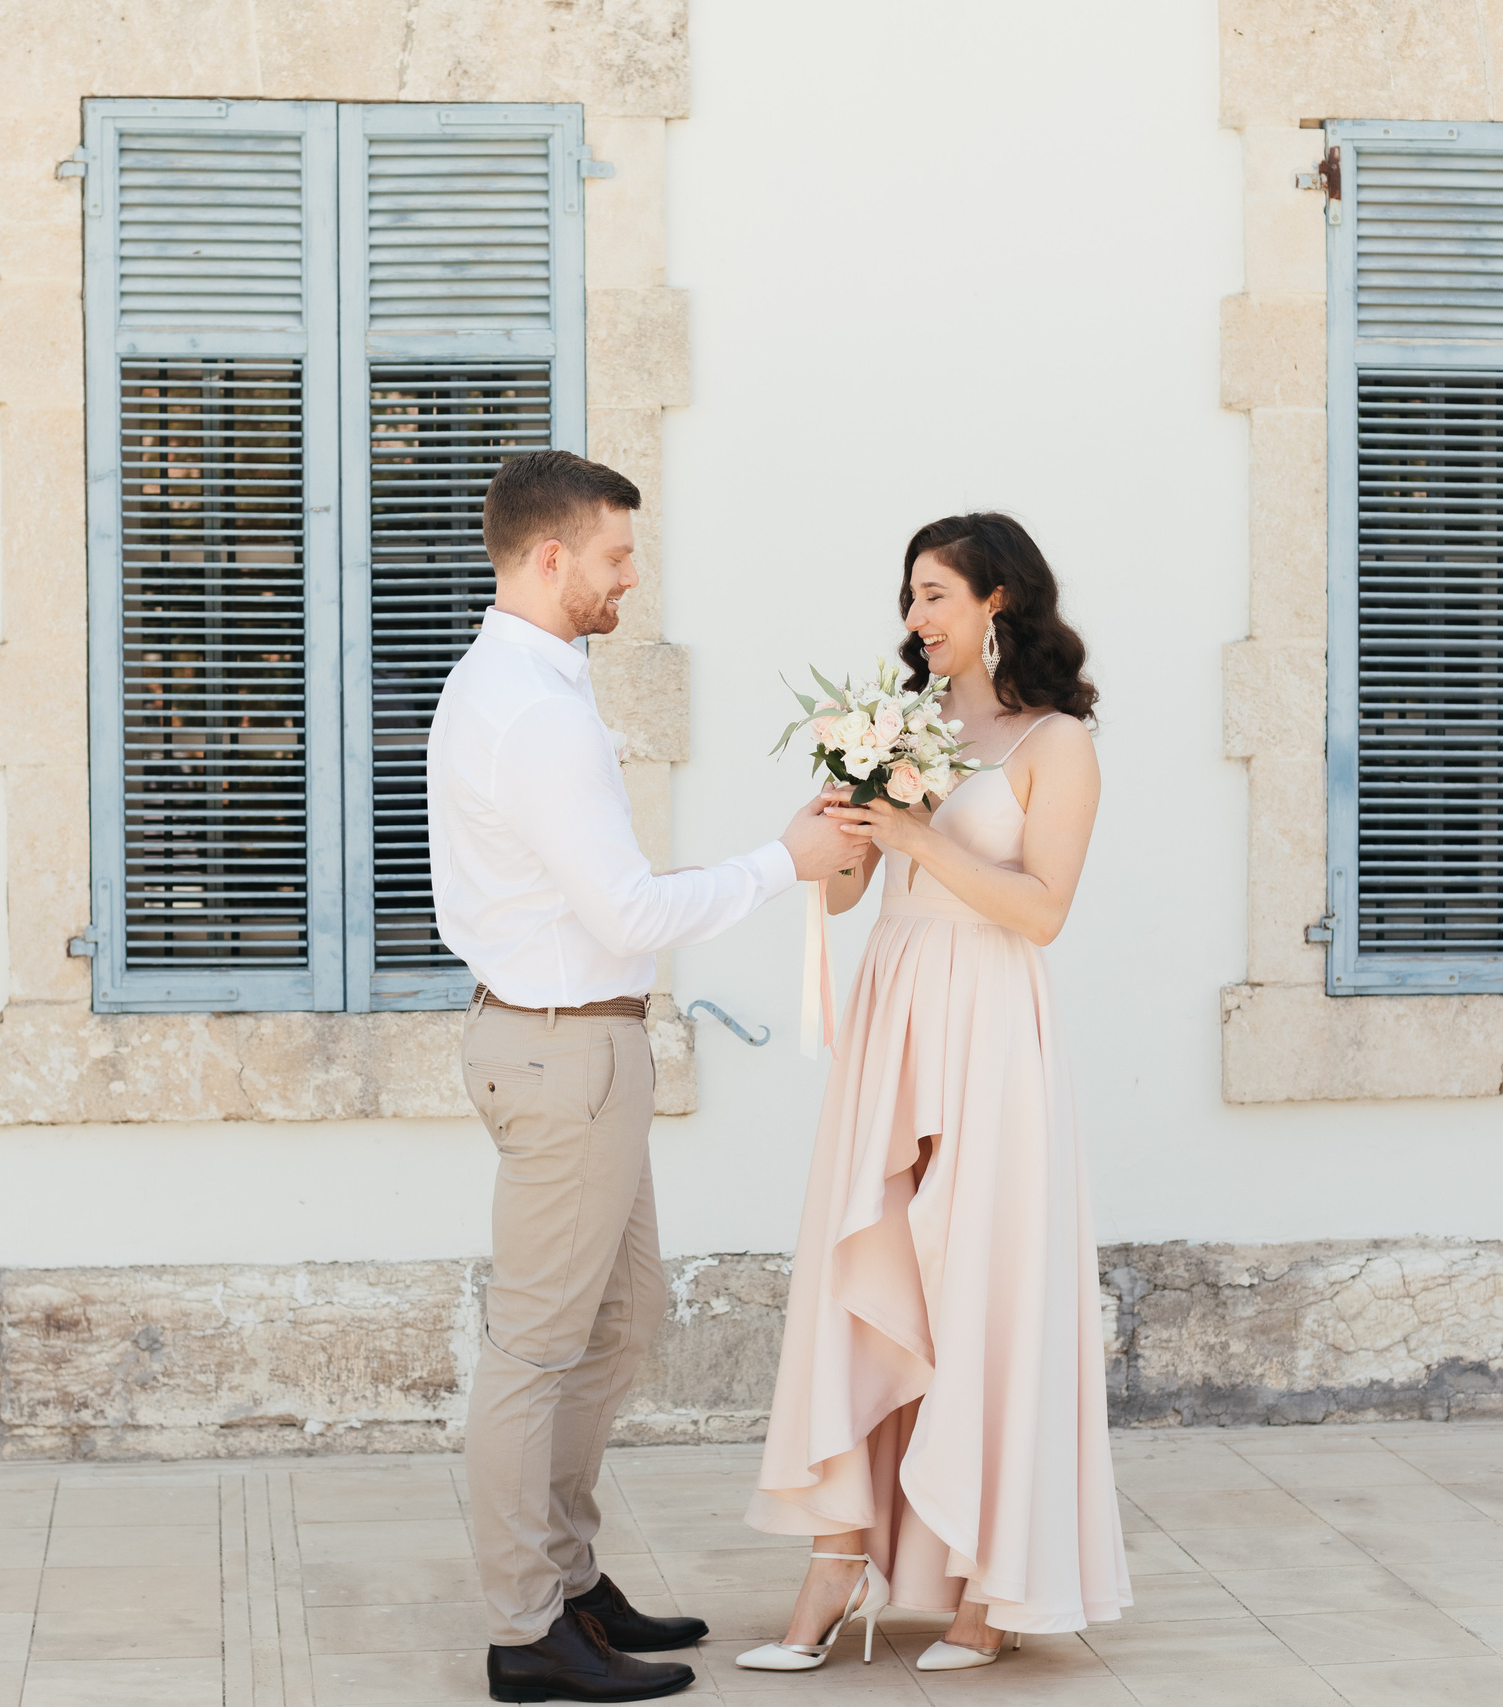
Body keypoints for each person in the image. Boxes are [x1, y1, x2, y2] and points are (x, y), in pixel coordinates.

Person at [427, 450, 853, 1705]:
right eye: (616, 557)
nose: (630, 579)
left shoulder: (530, 686)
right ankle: (526, 1631)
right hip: (564, 1047)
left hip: (580, 1047)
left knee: (620, 1326)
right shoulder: (532, 708)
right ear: (550, 558)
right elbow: (621, 910)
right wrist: (785, 860)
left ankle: (567, 1583)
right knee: (539, 1350)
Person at [734, 512, 1131, 1675]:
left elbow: (1043, 910)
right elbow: (854, 898)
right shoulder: (898, 724)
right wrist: (842, 828)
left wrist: (922, 831)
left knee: (980, 1279)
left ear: (998, 600)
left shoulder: (1057, 744)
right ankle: (836, 1558)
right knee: (874, 1268)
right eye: (909, 598)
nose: (914, 620)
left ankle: (981, 1587)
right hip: (895, 1003)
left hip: (994, 1019)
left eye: (934, 596)